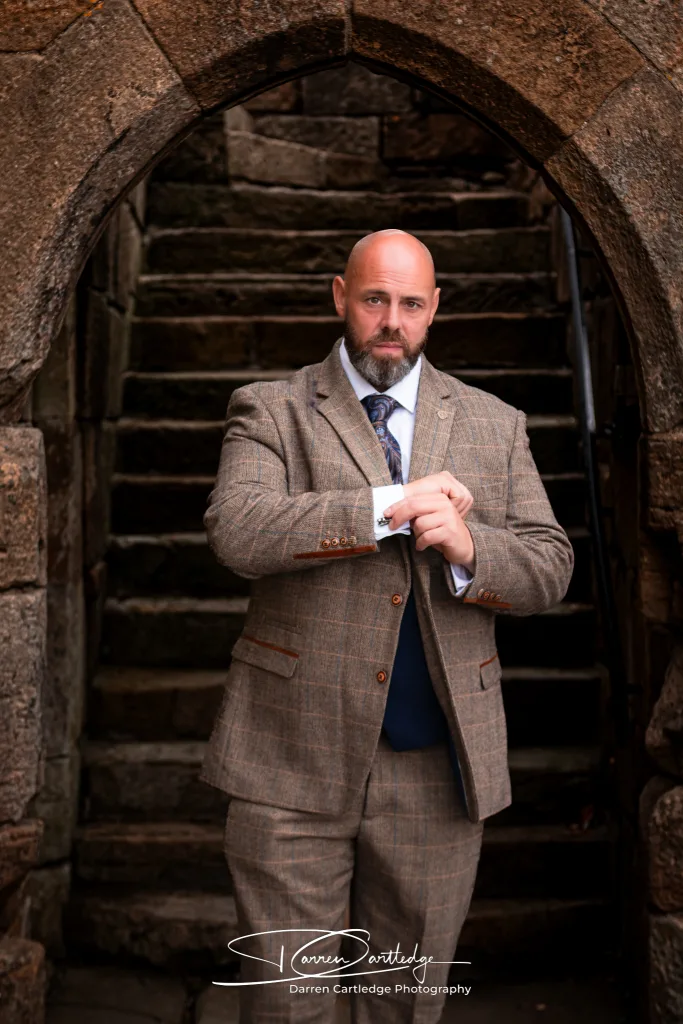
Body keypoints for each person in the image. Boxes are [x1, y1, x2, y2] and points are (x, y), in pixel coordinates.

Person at [199, 229, 574, 1023]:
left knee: (403, 1006)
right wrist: (388, 509)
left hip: (435, 772)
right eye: (374, 300)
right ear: (342, 298)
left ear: (434, 309)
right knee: (286, 1004)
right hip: (288, 762)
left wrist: (471, 547)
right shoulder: (270, 407)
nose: (390, 322)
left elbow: (550, 566)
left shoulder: (493, 423)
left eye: (409, 304)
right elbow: (237, 530)